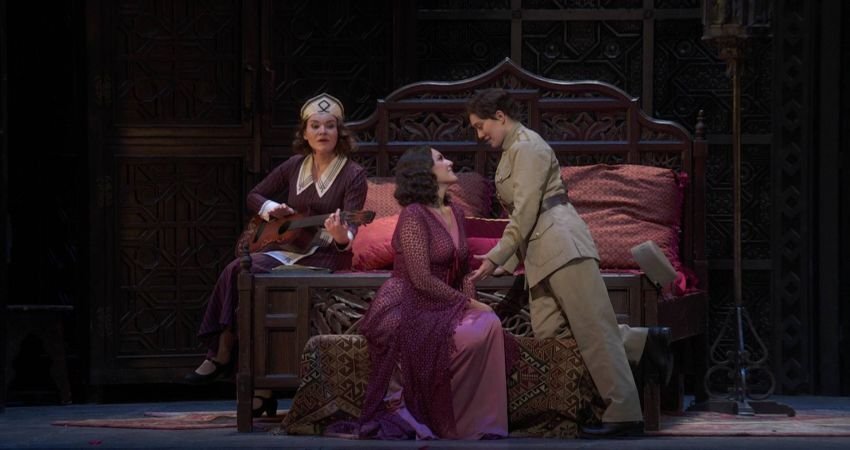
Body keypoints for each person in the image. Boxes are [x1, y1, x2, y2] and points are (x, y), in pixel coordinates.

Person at [466, 88, 672, 438]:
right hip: (540, 253)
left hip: (562, 244)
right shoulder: (512, 151)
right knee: (552, 335)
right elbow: (522, 213)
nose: (479, 134)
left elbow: (527, 208)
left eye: (480, 125)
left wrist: (500, 252)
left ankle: (624, 412)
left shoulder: (528, 147)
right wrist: (511, 259)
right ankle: (640, 343)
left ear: (500, 116)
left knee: (594, 329)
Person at [184, 93, 368, 418]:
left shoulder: (353, 174)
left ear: (339, 132)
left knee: (258, 287)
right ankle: (226, 354)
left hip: (324, 256)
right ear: (305, 132)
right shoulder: (294, 166)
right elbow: (254, 196)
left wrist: (342, 236)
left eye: (330, 126)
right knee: (238, 270)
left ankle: (246, 376)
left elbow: (350, 232)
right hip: (289, 248)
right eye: (315, 126)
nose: (322, 132)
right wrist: (271, 208)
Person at [333, 145, 516, 440]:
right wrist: (468, 304)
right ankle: (441, 418)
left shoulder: (456, 212)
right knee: (476, 328)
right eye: (441, 159)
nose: (450, 161)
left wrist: (473, 303)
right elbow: (420, 279)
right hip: (411, 301)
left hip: (444, 301)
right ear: (424, 172)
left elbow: (462, 271)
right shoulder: (414, 215)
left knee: (488, 324)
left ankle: (476, 424)